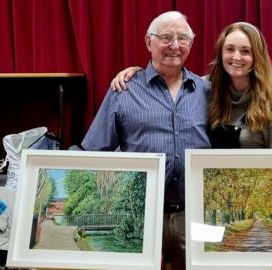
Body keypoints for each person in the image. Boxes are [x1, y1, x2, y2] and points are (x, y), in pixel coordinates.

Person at [81, 11, 210, 270]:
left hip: (195, 216)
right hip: (139, 216)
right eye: (166, 37)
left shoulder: (207, 91)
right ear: (148, 42)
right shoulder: (124, 89)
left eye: (182, 38)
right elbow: (94, 151)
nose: (175, 45)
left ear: (191, 44)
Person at [111, 22, 272, 148]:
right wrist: (137, 73)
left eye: (245, 51)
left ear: (257, 58)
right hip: (207, 197)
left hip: (258, 199)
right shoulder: (204, 87)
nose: (236, 57)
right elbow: (172, 79)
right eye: (230, 49)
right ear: (221, 53)